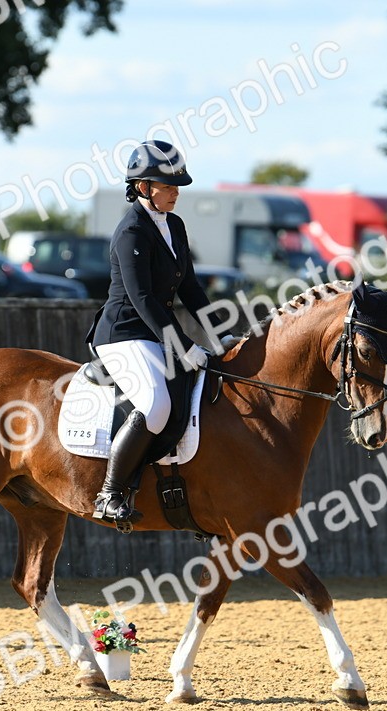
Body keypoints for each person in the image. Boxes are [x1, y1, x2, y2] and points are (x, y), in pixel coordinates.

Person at [86, 140, 240, 529]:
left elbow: (189, 286)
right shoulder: (131, 232)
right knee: (155, 406)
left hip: (154, 335)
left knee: (193, 398)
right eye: (168, 186)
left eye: (177, 187)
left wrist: (218, 334)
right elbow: (141, 299)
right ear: (142, 188)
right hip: (122, 334)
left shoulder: (174, 225)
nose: (175, 193)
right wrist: (184, 346)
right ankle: (109, 493)